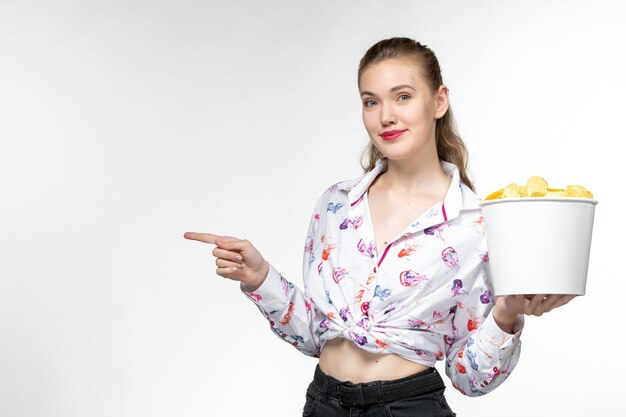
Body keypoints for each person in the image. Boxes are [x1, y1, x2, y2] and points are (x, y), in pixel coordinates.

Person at [184, 37, 576, 416]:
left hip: (409, 407)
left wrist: (506, 312)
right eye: (371, 102)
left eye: (402, 96)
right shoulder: (337, 204)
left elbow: (470, 377)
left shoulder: (477, 224)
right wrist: (260, 276)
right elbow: (317, 335)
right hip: (324, 403)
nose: (385, 115)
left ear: (439, 101)